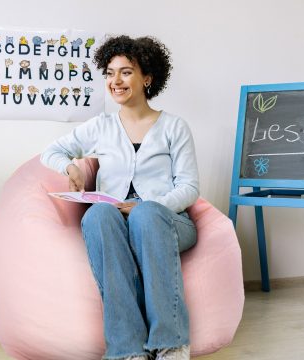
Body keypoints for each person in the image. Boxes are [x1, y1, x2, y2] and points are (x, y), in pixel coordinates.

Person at [40, 35, 199, 360]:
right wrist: (71, 167)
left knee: (145, 215)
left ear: (147, 78)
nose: (115, 81)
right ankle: (127, 349)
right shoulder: (101, 126)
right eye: (110, 73)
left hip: (167, 220)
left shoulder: (174, 127)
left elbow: (189, 187)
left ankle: (171, 343)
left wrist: (148, 206)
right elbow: (52, 151)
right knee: (97, 216)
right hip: (114, 218)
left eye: (126, 72)